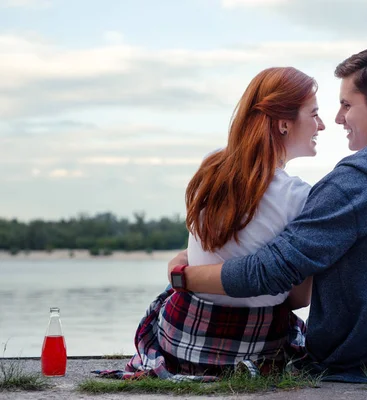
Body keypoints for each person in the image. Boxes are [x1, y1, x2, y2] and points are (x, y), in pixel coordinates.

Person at [167, 46, 367, 382]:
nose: (337, 119)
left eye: (346, 105)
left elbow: (269, 271)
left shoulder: (349, 185)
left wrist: (183, 276)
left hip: (362, 358)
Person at [118, 67, 325, 381]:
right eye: (314, 114)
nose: (321, 125)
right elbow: (300, 299)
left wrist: (183, 272)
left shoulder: (212, 166)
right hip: (256, 344)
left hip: (181, 337)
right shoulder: (298, 196)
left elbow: (203, 250)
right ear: (284, 123)